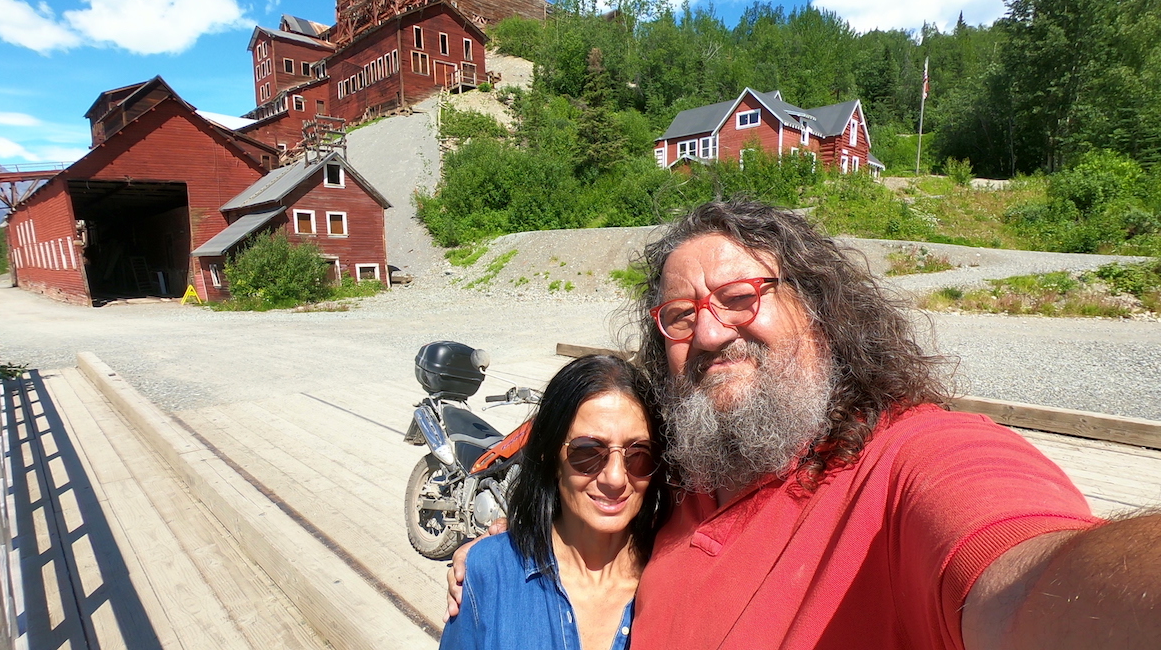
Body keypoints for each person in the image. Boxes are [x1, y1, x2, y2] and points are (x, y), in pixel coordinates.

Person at [452, 198, 1161, 649]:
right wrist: (508, 551)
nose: (707, 333)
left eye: (738, 296)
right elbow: (599, 492)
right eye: (678, 315)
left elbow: (1032, 575)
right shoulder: (683, 472)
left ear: (818, 309)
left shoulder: (906, 462)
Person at [439, 354, 668, 650]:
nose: (615, 478)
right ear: (550, 456)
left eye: (638, 454)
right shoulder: (489, 572)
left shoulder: (674, 580)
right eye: (587, 452)